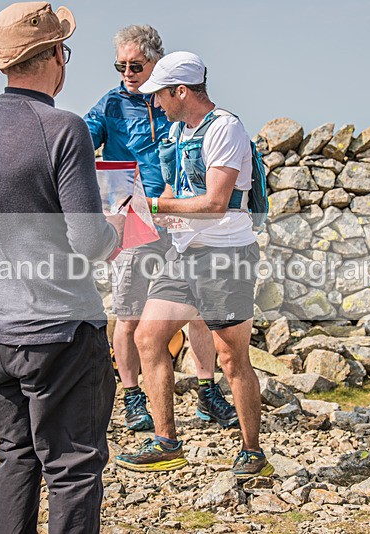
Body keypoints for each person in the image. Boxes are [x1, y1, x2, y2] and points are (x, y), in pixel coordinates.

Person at [0, 3, 122, 532]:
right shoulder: (63, 127)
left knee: (18, 457)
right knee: (74, 468)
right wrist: (123, 226)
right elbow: (87, 240)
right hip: (60, 328)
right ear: (56, 54)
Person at [114, 52, 273, 481]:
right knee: (149, 337)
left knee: (231, 356)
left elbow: (215, 203)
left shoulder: (226, 129)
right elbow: (176, 192)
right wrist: (148, 217)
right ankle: (166, 443)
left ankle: (251, 450)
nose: (155, 103)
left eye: (160, 95)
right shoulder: (176, 132)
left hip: (226, 255)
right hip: (183, 253)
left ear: (181, 91)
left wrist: (151, 205)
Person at [84, 26, 237, 432]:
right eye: (121, 65)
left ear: (158, 65)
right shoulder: (110, 105)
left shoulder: (174, 103)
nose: (128, 73)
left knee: (199, 313)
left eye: (136, 65)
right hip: (134, 221)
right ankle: (133, 398)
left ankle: (207, 394)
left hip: (181, 219)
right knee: (129, 314)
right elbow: (78, 148)